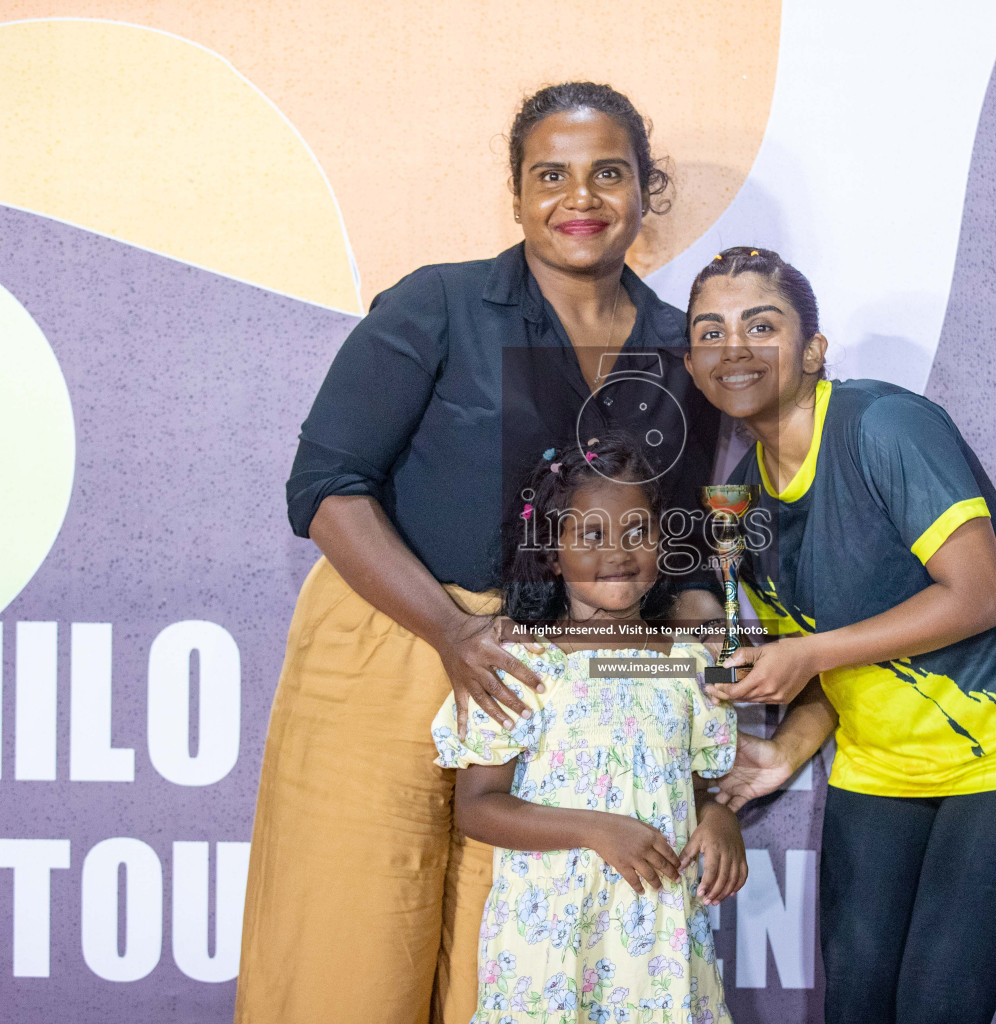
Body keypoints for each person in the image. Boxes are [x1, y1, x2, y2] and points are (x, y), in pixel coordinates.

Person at [235, 84, 723, 1024]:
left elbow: (680, 548)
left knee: (514, 966)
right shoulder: (441, 303)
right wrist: (452, 629)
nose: (579, 197)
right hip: (392, 641)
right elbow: (326, 488)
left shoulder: (674, 346)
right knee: (348, 946)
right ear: (515, 193)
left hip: (563, 683)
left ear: (645, 190)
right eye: (551, 174)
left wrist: (713, 684)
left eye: (607, 173)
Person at [683, 248, 996, 1024]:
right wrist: (785, 749)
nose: (732, 346)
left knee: (938, 1006)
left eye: (760, 325)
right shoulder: (739, 500)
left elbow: (980, 596)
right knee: (857, 1007)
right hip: (880, 769)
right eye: (710, 331)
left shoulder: (884, 424)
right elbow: (837, 667)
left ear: (813, 350)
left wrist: (806, 654)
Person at [433, 437, 742, 1023]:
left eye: (636, 533)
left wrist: (721, 819)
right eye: (592, 536)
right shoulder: (522, 663)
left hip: (657, 943)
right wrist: (596, 830)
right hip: (547, 942)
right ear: (552, 552)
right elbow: (475, 808)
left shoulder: (688, 664)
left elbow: (697, 789)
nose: (618, 552)